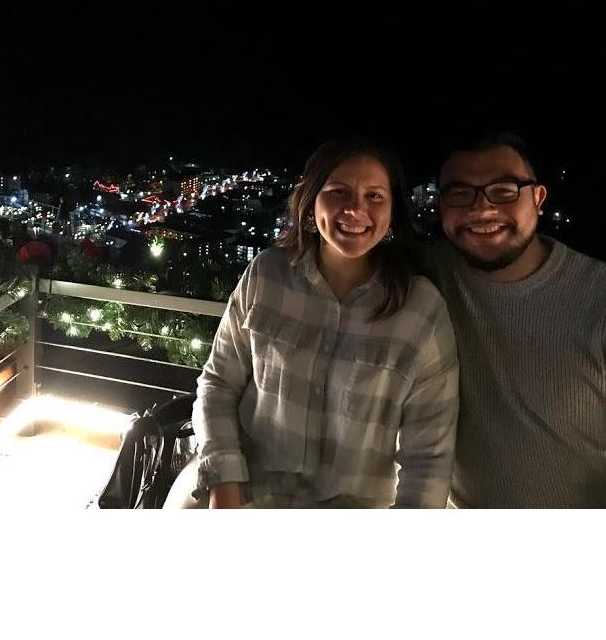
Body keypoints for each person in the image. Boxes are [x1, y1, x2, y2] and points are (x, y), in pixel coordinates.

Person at [426, 131, 606, 508]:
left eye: (504, 189)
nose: (481, 209)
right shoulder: (427, 278)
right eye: (460, 193)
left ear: (538, 199)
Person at [168, 136, 458, 508]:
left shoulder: (420, 312)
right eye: (338, 192)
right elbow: (218, 384)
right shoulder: (267, 276)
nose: (355, 210)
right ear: (311, 199)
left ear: (393, 212)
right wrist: (225, 484)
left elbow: (427, 464)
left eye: (374, 196)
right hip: (244, 494)